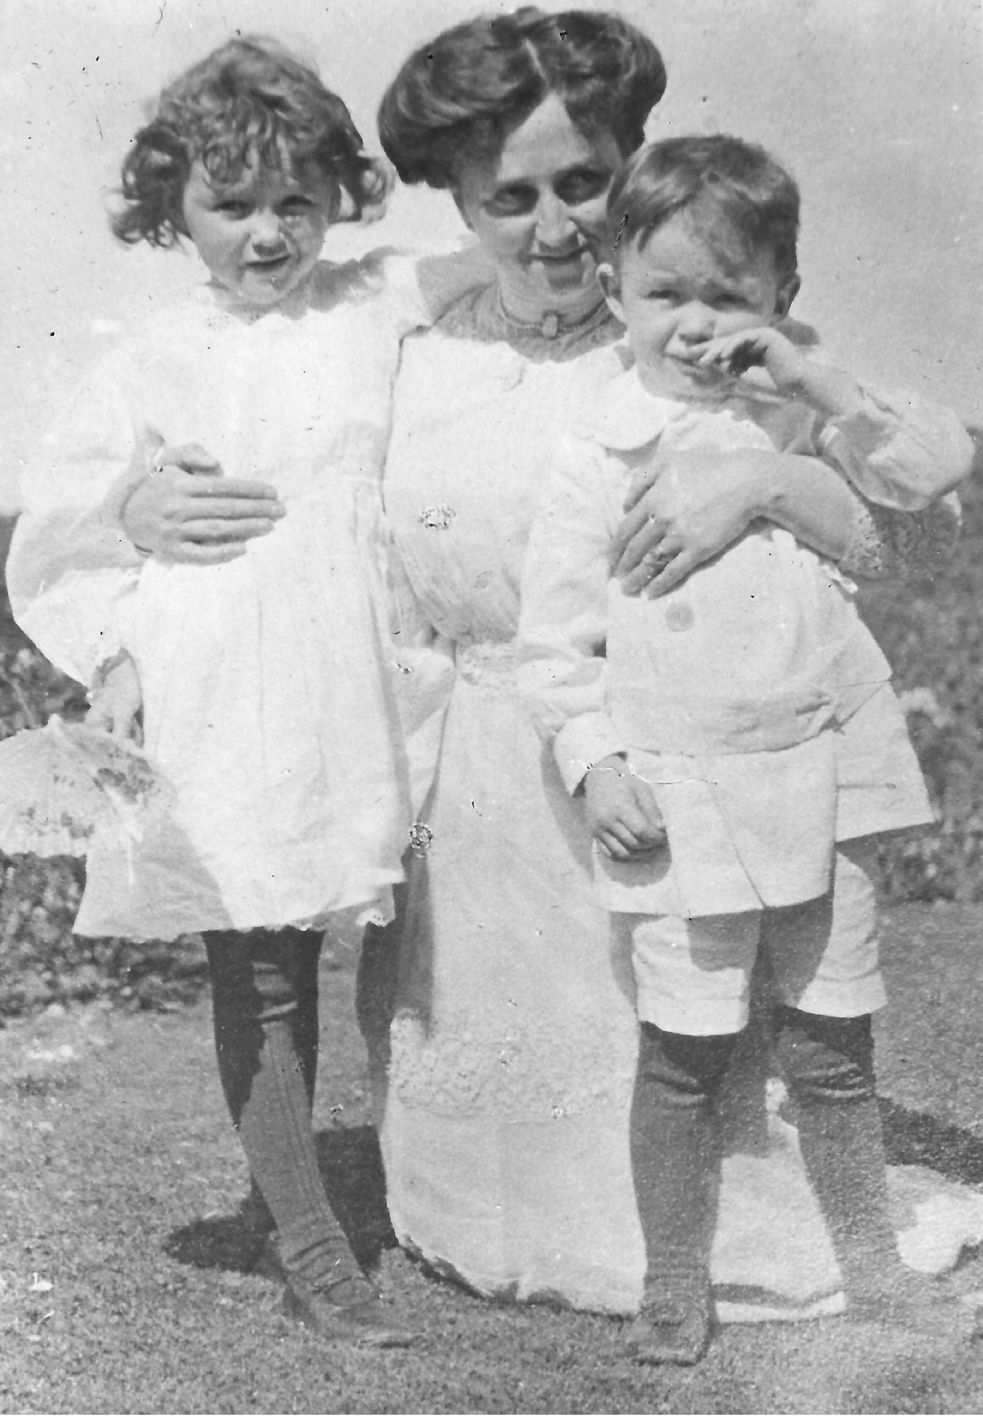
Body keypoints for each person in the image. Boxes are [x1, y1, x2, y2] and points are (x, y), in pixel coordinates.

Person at [108, 10, 972, 1323]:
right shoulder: (405, 336)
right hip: (460, 796)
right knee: (471, 1174)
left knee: (656, 1100)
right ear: (456, 200)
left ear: (630, 166)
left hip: (644, 779)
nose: (554, 227)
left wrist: (768, 477)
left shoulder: (701, 332)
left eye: (583, 183)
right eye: (507, 197)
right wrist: (134, 510)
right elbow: (242, 405)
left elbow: (908, 523)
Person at [6, 35, 485, 1349]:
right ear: (176, 213)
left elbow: (530, 262)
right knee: (263, 960)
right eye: (231, 204)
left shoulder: (381, 298)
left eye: (295, 197)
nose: (268, 232)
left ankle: (443, 1194)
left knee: (412, 943)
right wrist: (128, 509)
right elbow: (60, 524)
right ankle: (310, 1240)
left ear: (339, 191)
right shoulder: (153, 355)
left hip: (377, 669)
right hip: (227, 671)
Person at [516, 133, 979, 1364]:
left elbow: (934, 477)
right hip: (678, 790)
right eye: (665, 292)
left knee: (829, 1047)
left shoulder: (803, 422)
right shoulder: (593, 452)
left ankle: (870, 1271)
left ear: (780, 293)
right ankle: (675, 1279)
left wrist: (807, 379)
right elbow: (552, 644)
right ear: (614, 289)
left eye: (729, 294)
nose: (694, 324)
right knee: (684, 1052)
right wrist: (594, 759)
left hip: (820, 776)